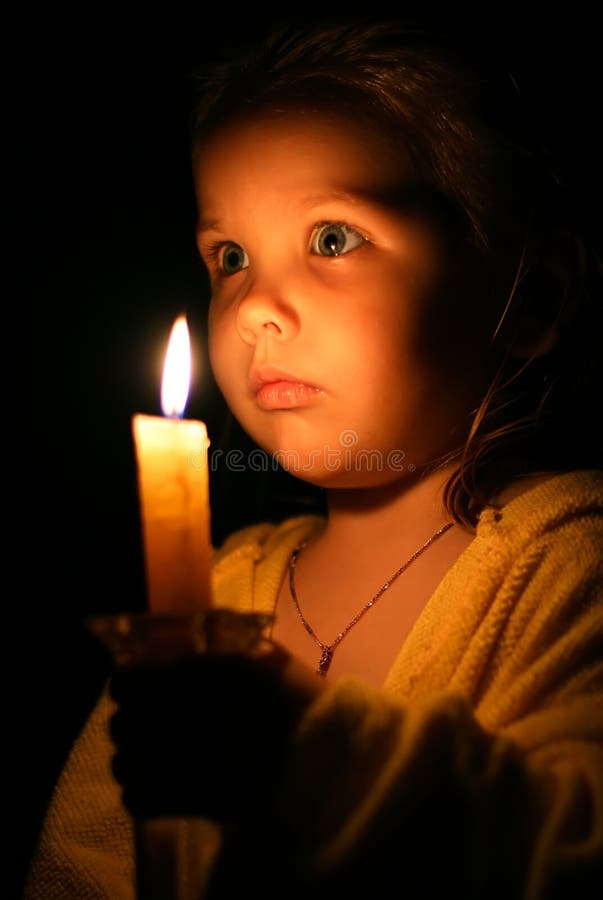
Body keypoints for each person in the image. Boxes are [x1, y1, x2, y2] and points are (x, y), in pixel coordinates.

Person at [24, 14, 603, 900]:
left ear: (525, 296)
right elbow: (81, 871)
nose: (255, 307)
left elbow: (567, 847)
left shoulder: (567, 562)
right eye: (230, 256)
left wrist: (299, 753)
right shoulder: (215, 594)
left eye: (332, 238)